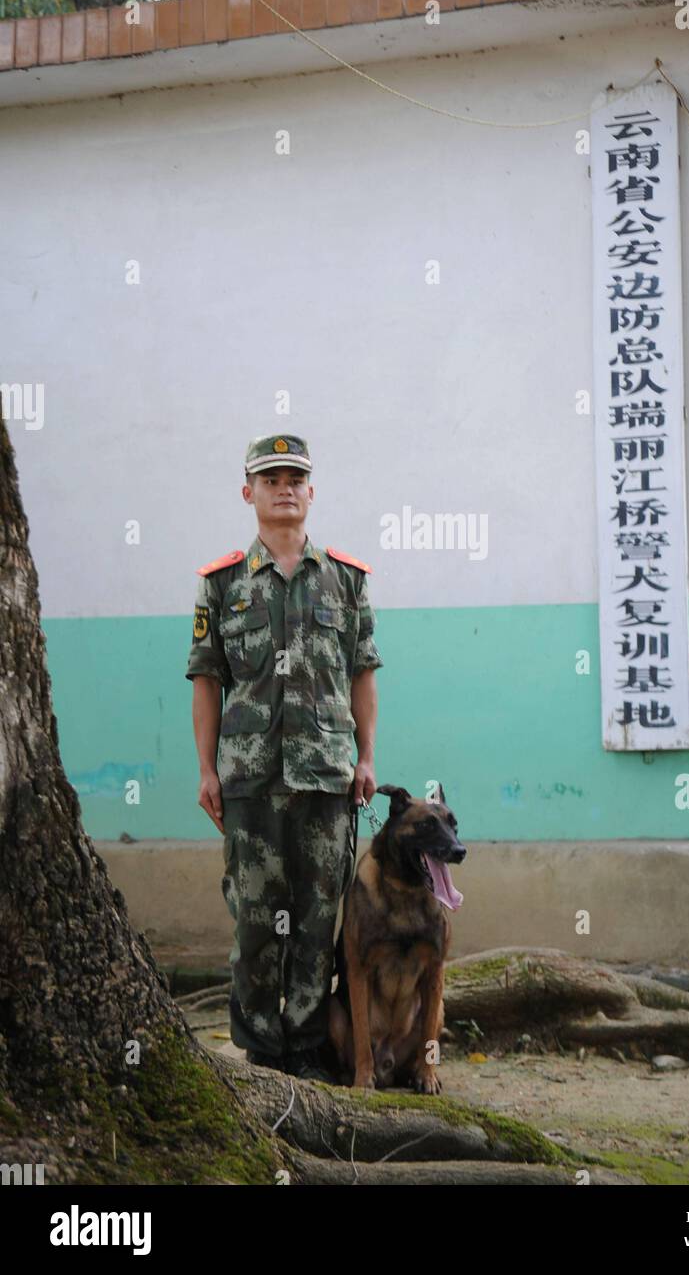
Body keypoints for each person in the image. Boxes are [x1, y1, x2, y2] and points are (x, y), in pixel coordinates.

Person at [185, 433, 382, 1079]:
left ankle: (303, 1048)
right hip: (249, 782)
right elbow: (207, 681)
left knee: (316, 919)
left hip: (326, 777)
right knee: (252, 921)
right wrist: (207, 769)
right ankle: (258, 1048)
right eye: (270, 479)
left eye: (295, 477)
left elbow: (361, 675)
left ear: (311, 492)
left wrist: (365, 757)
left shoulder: (346, 581)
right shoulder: (221, 586)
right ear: (249, 493)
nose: (284, 488)